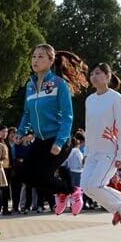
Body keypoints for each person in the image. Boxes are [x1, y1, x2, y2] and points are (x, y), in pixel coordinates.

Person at [16, 44, 88, 216]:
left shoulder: (59, 84)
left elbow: (67, 116)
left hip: (58, 140)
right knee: (24, 174)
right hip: (40, 141)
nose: (35, 60)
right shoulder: (30, 85)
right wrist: (20, 132)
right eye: (34, 56)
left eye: (40, 56)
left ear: (51, 60)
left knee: (42, 176)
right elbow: (27, 113)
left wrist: (59, 141)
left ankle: (73, 190)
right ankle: (63, 191)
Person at [79, 63, 121, 225]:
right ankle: (118, 209)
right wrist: (86, 152)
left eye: (97, 73)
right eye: (92, 74)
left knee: (96, 185)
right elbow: (89, 127)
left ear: (107, 76)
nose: (93, 77)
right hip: (92, 152)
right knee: (86, 186)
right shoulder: (90, 100)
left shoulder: (116, 98)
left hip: (109, 151)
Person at [64, 132, 85, 197]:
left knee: (71, 189)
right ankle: (77, 201)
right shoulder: (78, 152)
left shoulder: (70, 150)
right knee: (78, 189)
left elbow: (66, 160)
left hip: (70, 171)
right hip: (78, 172)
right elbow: (82, 163)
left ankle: (71, 201)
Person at [6, 126, 21, 214]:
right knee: (8, 188)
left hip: (17, 168)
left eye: (15, 133)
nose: (13, 135)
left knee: (17, 188)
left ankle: (16, 207)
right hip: (8, 168)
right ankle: (6, 208)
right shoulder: (6, 144)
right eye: (11, 133)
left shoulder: (19, 144)